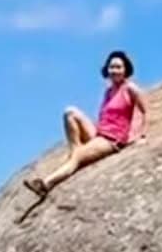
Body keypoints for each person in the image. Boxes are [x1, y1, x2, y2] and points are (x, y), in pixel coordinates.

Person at [24, 50, 147, 198]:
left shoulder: (130, 89)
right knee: (70, 112)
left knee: (78, 156)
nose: (114, 70)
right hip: (99, 133)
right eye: (112, 67)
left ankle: (45, 184)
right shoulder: (108, 91)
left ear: (125, 69)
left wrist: (141, 136)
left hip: (112, 140)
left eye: (118, 67)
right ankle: (75, 150)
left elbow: (145, 111)